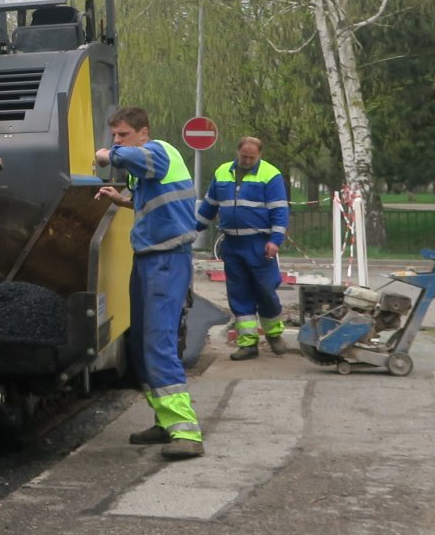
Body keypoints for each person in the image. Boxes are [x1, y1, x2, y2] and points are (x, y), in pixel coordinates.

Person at [96, 107, 205, 459]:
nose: (117, 141)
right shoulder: (146, 168)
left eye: (123, 135)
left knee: (158, 344)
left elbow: (127, 158)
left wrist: (107, 155)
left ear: (143, 133)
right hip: (149, 260)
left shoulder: (158, 151)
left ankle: (186, 433)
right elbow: (153, 206)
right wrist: (122, 201)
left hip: (166, 261)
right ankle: (165, 420)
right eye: (113, 136)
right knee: (143, 347)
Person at [198, 135, 290, 360]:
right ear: (237, 152)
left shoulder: (270, 174)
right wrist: (195, 227)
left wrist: (275, 241)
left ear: (260, 155)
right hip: (232, 244)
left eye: (252, 157)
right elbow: (210, 204)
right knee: (238, 293)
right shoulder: (222, 172)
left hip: (259, 244)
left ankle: (274, 334)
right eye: (243, 156)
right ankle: (248, 343)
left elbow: (279, 210)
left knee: (265, 290)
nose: (247, 160)